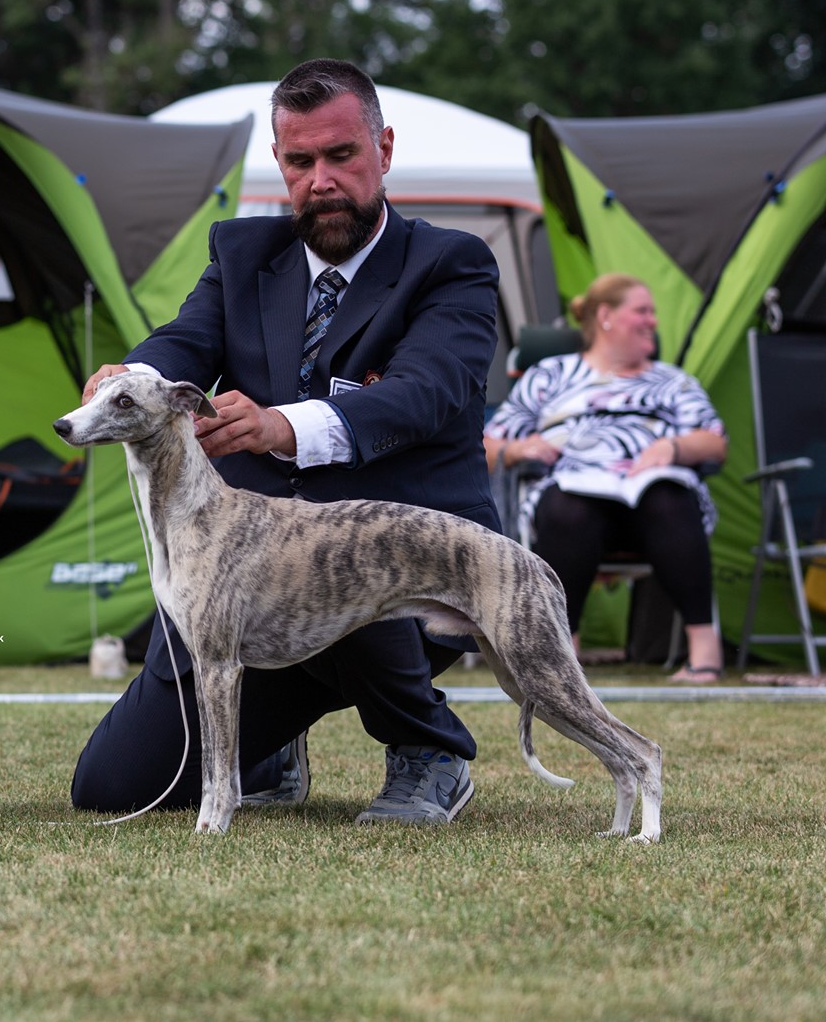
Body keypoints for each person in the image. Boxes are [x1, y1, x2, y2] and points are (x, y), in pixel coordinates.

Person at [72, 58, 500, 825]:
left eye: (342, 155)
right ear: (280, 163)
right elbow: (183, 341)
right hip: (248, 591)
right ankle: (273, 742)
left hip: (409, 585)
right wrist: (131, 375)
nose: (322, 179)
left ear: (385, 149)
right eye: (300, 161)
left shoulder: (451, 264)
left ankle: (428, 746)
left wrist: (283, 424)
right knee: (111, 784)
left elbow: (425, 391)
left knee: (340, 525)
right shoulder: (240, 253)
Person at [483, 274, 728, 682]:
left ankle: (705, 651)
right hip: (574, 497)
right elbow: (487, 444)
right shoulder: (550, 374)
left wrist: (674, 448)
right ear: (606, 316)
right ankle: (564, 651)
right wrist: (522, 448)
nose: (653, 321)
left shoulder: (672, 381)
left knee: (669, 497)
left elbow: (714, 441)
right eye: (642, 311)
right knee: (567, 507)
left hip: (651, 500)